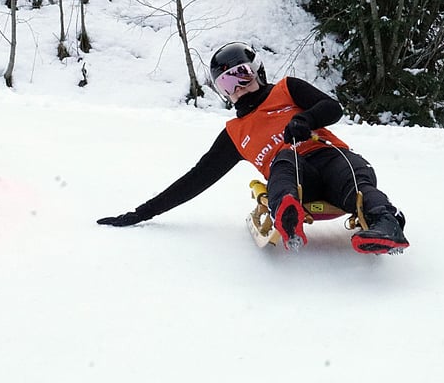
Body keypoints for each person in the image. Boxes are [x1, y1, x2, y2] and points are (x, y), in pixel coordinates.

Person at [97, 42, 409, 254]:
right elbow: (197, 178)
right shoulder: (235, 134)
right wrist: (142, 213)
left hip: (330, 157)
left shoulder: (287, 89)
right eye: (227, 84)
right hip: (297, 180)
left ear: (257, 71)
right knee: (283, 159)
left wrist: (306, 119)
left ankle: (386, 224)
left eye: (242, 75)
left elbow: (333, 108)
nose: (238, 87)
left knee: (355, 181)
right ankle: (287, 213)